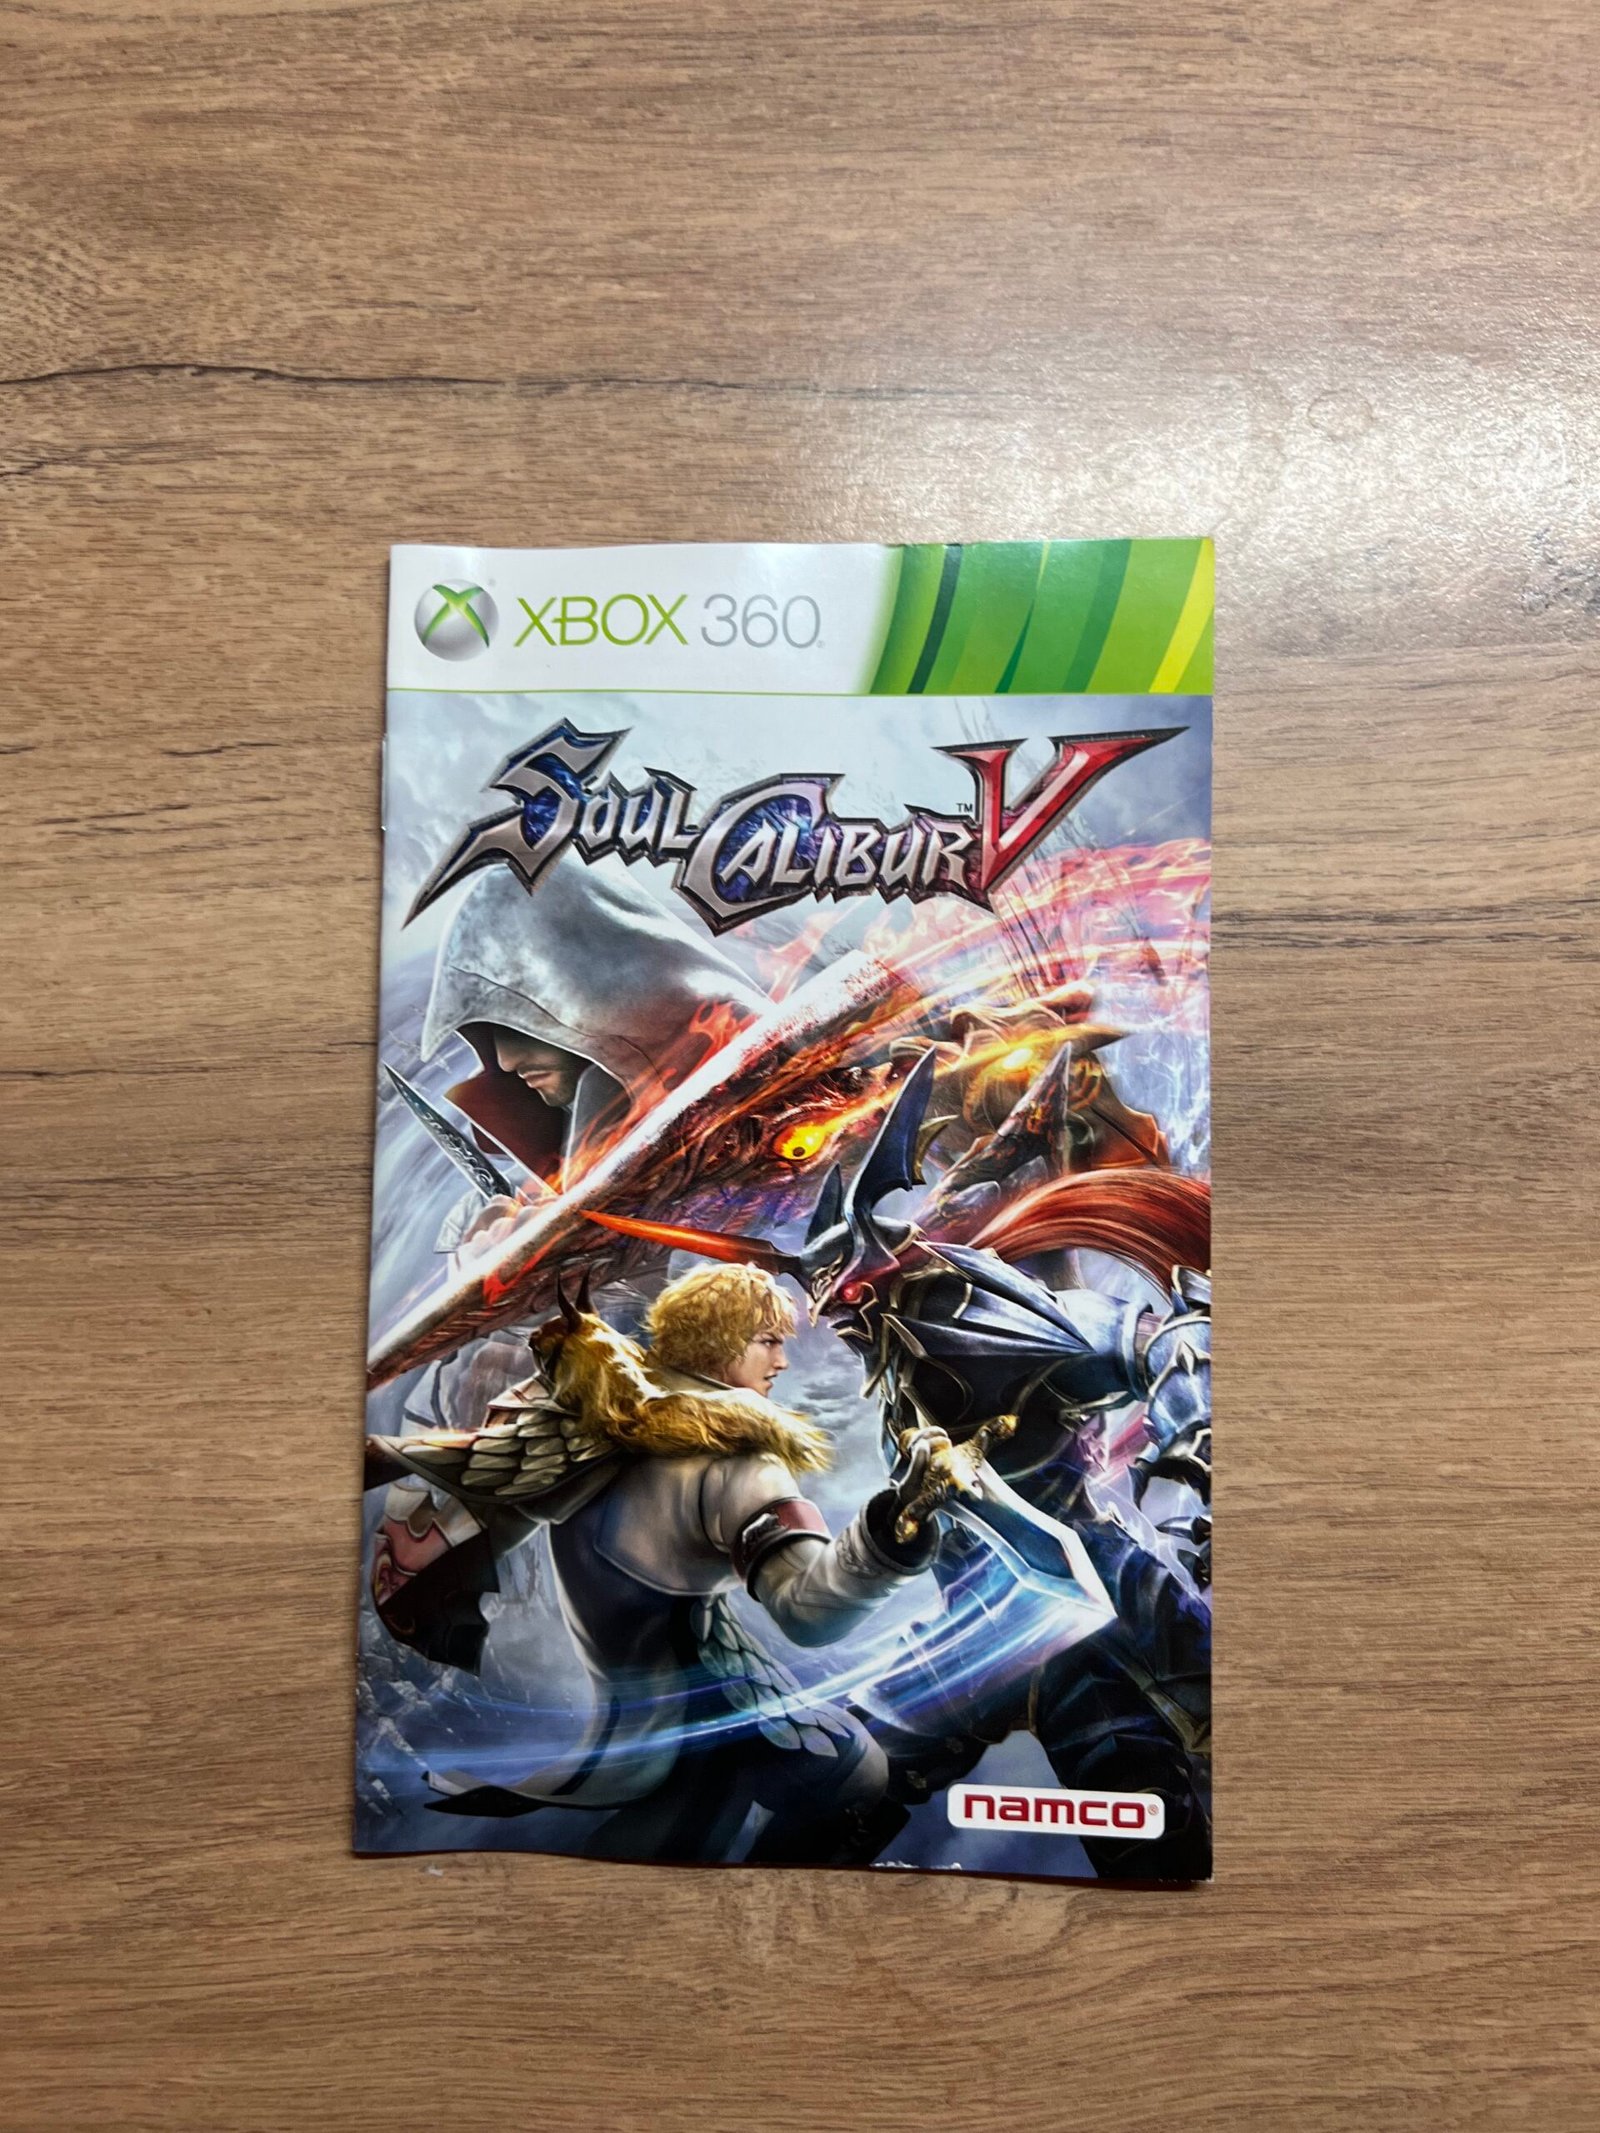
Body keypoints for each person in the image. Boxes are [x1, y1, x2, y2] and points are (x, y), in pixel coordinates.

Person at [365, 1264, 953, 1864]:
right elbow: (808, 1612)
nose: (781, 1361)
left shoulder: (582, 1430)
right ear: (721, 1341)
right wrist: (895, 1526)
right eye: (768, 1341)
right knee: (854, 1777)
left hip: (643, 1732)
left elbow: (486, 1510)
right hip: (737, 1723)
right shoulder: (735, 1462)